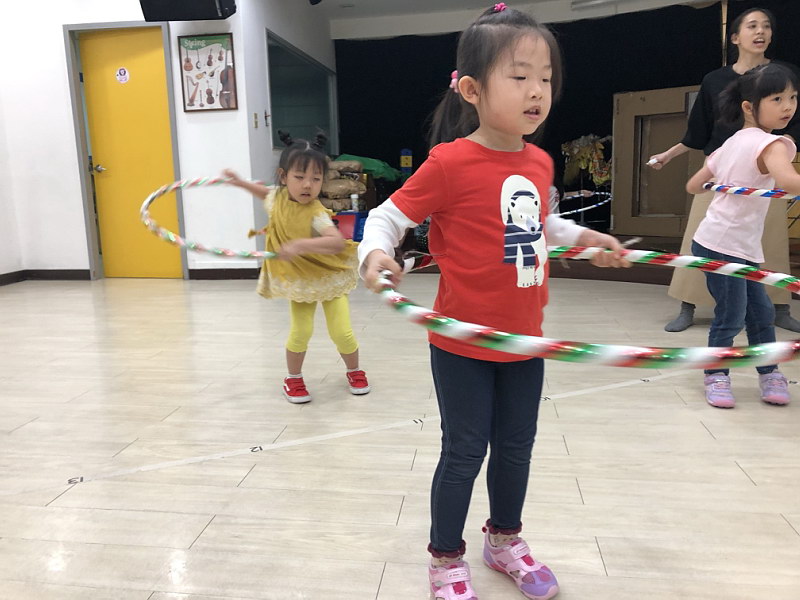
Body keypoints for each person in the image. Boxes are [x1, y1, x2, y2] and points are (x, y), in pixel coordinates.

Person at [359, 5, 628, 599]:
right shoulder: (450, 162)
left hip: (525, 336)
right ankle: (444, 558)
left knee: (515, 448)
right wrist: (375, 254)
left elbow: (539, 224)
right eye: (520, 76)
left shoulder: (538, 161)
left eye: (546, 78)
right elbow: (386, 217)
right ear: (472, 90)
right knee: (464, 452)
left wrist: (585, 238)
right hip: (462, 342)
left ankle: (504, 539)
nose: (537, 91)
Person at [648, 7, 800, 333]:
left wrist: (779, 146)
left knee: (767, 244)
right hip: (721, 171)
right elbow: (698, 131)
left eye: (766, 26)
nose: (760, 32)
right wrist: (668, 155)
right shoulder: (714, 80)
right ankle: (688, 305)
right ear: (734, 37)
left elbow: (795, 123)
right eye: (752, 26)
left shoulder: (783, 75)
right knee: (703, 239)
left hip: (766, 171)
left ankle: (780, 307)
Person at [223, 132, 370, 404]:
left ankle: (354, 370)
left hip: (328, 275)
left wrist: (301, 245)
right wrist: (240, 182)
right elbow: (264, 192)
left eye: (316, 179)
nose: (307, 185)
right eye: (300, 177)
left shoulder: (315, 212)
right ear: (283, 176)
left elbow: (336, 242)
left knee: (342, 332)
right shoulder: (277, 198)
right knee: (300, 331)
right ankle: (293, 378)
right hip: (302, 279)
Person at [685, 63, 800, 409]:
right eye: (777, 99)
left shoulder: (729, 143)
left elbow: (694, 186)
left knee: (761, 312)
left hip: (730, 243)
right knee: (732, 314)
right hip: (722, 245)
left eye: (793, 97)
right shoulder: (772, 144)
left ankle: (769, 372)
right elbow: (788, 182)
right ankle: (716, 374)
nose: (788, 106)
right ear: (749, 106)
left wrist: (721, 184)